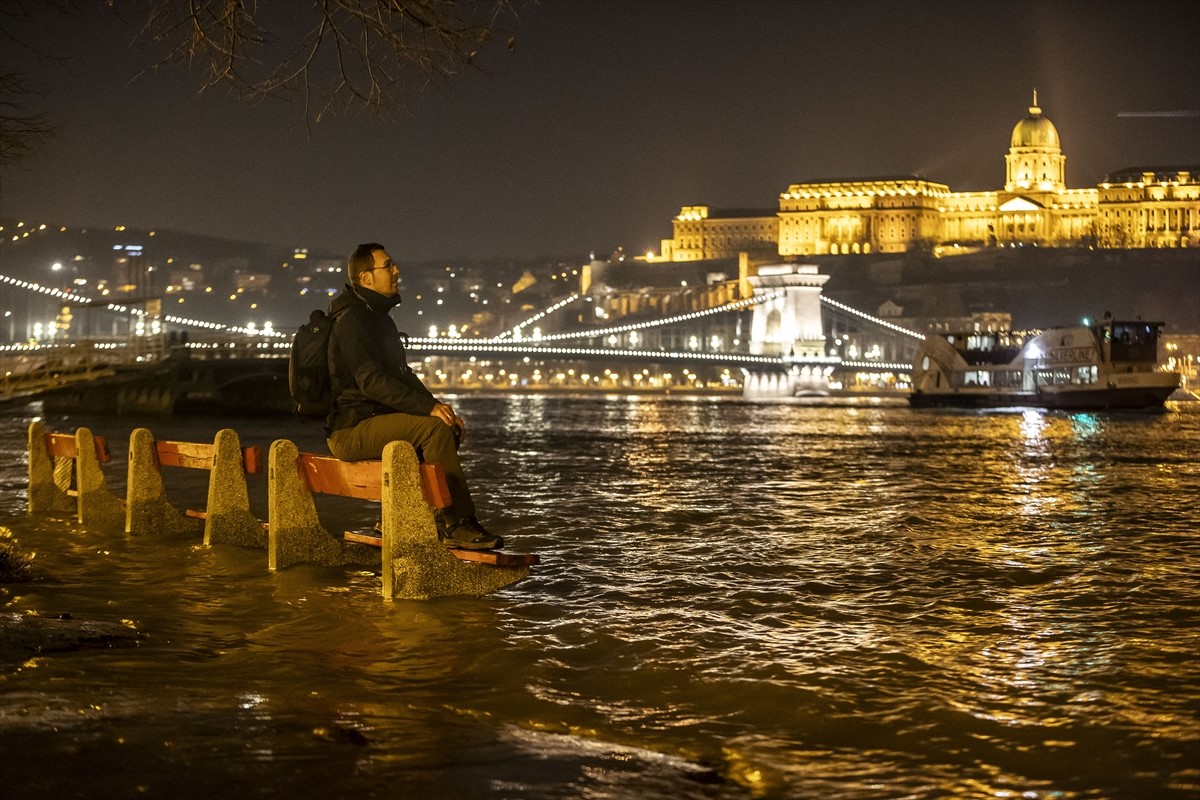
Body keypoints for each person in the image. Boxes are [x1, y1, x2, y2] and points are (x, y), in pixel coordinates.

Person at [324, 242, 501, 550]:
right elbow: (371, 381)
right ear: (366, 278)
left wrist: (438, 407)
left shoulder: (377, 317)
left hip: (375, 420)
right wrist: (428, 411)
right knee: (432, 430)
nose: (397, 271)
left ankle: (420, 517)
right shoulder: (352, 320)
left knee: (443, 425)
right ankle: (457, 523)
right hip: (351, 428)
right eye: (388, 266)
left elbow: (403, 376)